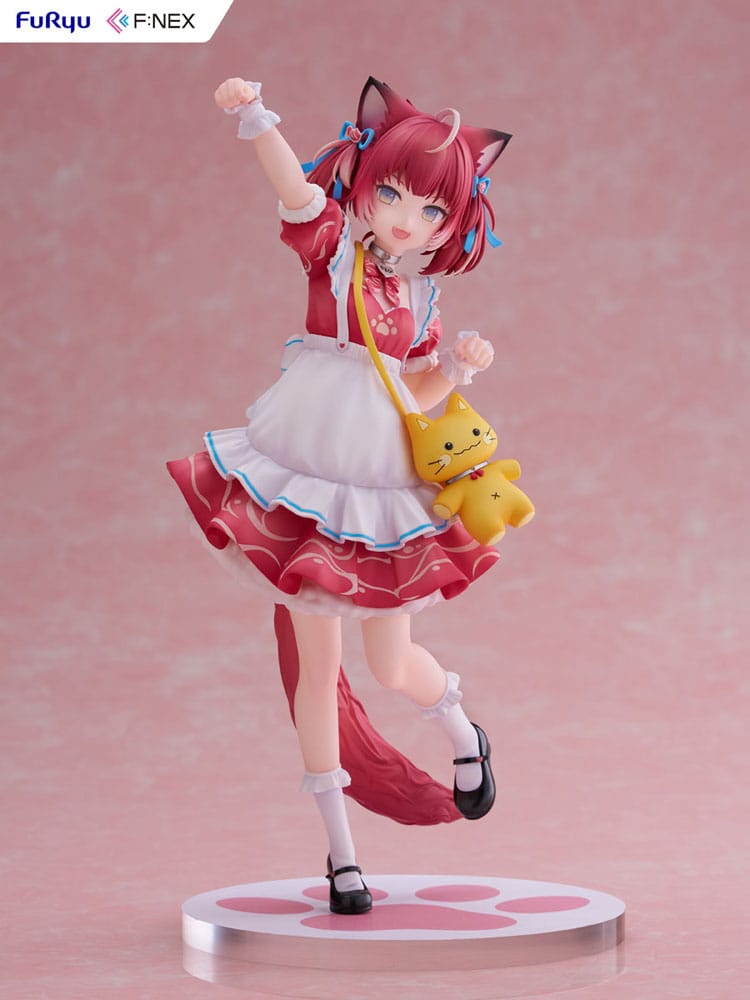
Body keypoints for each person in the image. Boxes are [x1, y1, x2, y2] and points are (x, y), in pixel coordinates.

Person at [167, 76, 513, 915]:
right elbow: (293, 187)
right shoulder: (333, 248)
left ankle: (462, 730)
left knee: (391, 663)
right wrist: (255, 117)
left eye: (430, 210)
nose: (405, 219)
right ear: (363, 181)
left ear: (450, 224)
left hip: (379, 481)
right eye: (391, 193)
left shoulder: (422, 297)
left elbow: (416, 393)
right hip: (304, 459)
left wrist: (456, 368)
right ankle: (342, 855)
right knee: (317, 672)